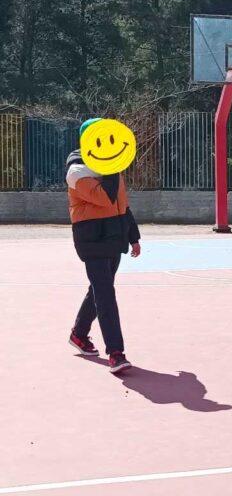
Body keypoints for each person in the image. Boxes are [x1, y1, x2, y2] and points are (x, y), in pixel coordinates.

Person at [66, 118, 141, 375]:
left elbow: (122, 204)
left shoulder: (112, 167)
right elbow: (105, 197)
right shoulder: (77, 172)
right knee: (105, 294)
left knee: (98, 290)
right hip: (93, 240)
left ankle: (78, 334)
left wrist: (133, 236)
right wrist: (111, 167)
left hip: (115, 237)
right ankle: (116, 353)